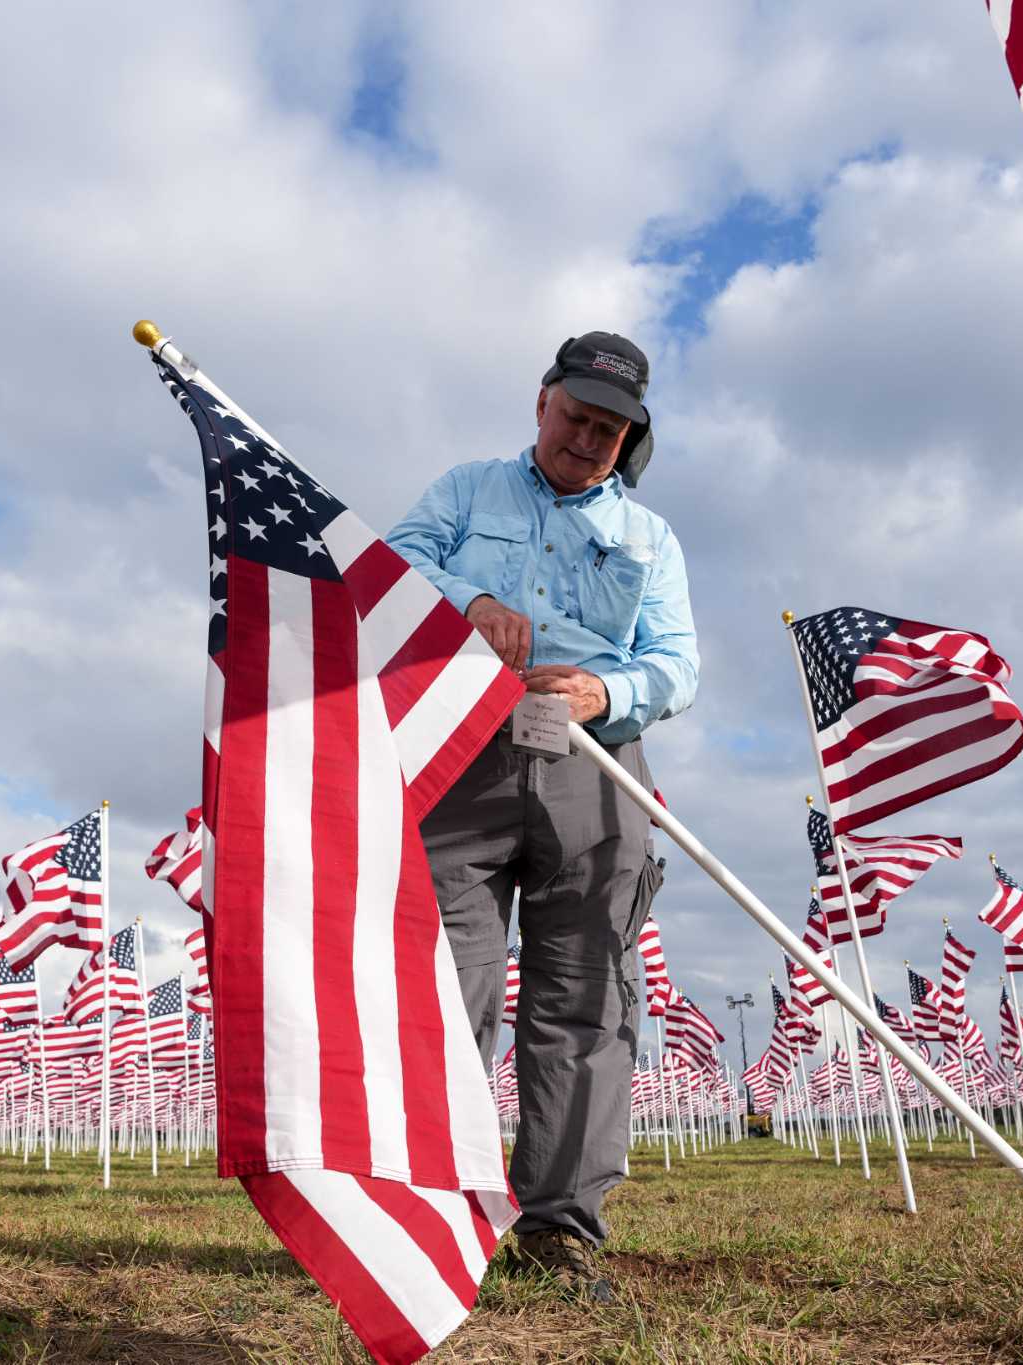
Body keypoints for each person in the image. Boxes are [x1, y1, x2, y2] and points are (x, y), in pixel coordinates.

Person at [386, 331, 697, 1301]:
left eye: (608, 431)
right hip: (459, 753)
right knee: (442, 991)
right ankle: (423, 1214)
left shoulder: (651, 540)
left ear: (627, 439)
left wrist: (606, 693)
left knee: (585, 1002)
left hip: (595, 765)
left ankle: (558, 1232)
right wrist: (468, 599)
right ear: (541, 403)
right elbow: (391, 564)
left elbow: (676, 663)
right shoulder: (464, 490)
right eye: (575, 417)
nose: (585, 439)